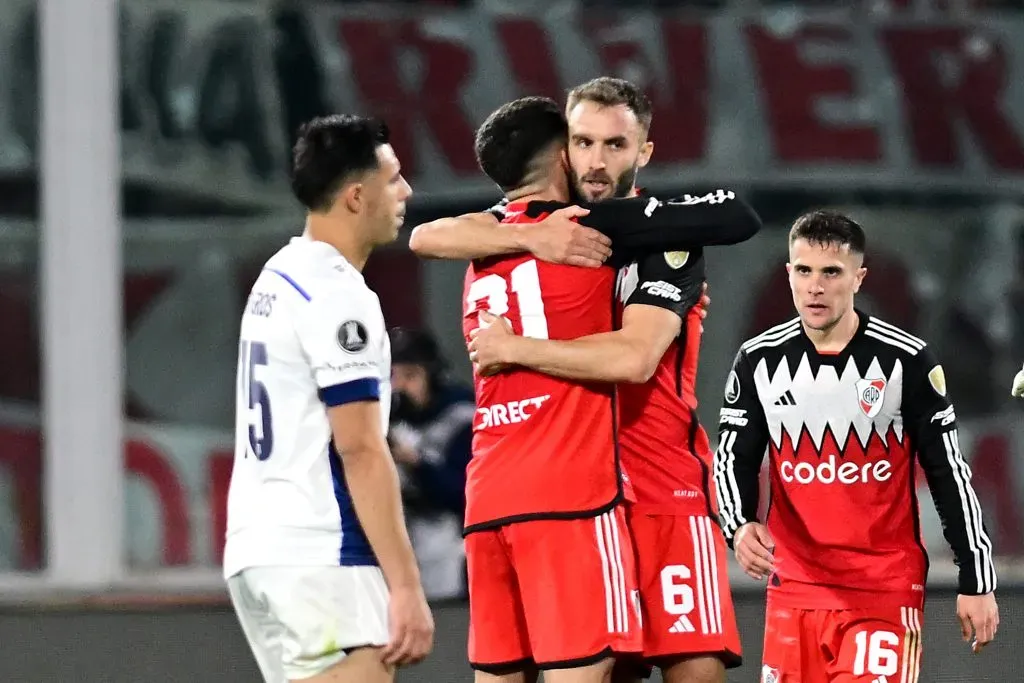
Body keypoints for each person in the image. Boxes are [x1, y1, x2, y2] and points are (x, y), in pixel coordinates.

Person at [420, 77, 752, 683]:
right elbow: (425, 233)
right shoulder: (538, 231)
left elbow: (637, 355)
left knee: (694, 671)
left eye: (616, 145)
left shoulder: (663, 237)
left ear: (643, 152)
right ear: (563, 150)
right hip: (582, 491)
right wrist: (527, 232)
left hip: (661, 490)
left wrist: (514, 348)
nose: (597, 162)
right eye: (584, 142)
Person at [714, 210, 999, 683]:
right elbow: (731, 458)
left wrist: (978, 580)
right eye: (803, 271)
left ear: (859, 278)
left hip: (882, 591)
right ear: (788, 274)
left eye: (831, 272)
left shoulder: (905, 360)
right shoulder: (758, 359)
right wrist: (739, 526)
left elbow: (949, 472)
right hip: (795, 592)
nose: (815, 287)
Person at [222, 115, 433, 683]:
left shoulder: (278, 276)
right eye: (393, 179)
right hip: (321, 553)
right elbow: (361, 448)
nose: (406, 191)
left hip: (257, 548)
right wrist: (407, 585)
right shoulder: (338, 294)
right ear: (356, 195)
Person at [387, 326, 475, 600]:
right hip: (396, 543)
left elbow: (466, 494)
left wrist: (417, 463)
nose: (399, 387)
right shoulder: (381, 420)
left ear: (432, 376)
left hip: (450, 546)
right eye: (392, 377)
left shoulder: (462, 414)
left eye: (410, 376)